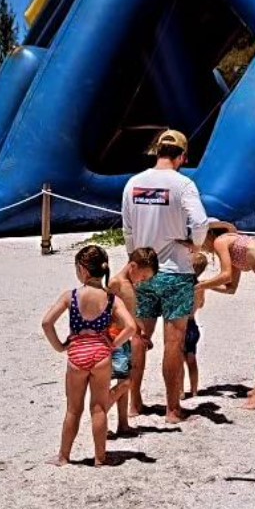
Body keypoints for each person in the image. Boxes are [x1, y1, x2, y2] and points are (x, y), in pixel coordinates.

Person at [121, 129, 208, 425]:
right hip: (175, 271)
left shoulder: (134, 183)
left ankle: (135, 403)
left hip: (143, 272)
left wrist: (135, 260)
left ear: (157, 151)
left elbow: (128, 230)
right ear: (182, 156)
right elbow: (200, 222)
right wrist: (195, 244)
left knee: (138, 338)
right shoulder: (183, 184)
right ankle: (172, 409)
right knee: (174, 343)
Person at [41, 245, 135, 465]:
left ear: (82, 270)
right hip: (101, 354)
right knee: (99, 408)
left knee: (73, 409)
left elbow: (47, 322)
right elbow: (130, 327)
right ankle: (100, 458)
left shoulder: (71, 296)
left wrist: (60, 346)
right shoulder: (111, 300)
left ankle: (63, 456)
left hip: (77, 354)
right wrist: (112, 344)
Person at [198, 224, 255, 410]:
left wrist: (200, 286)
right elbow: (230, 288)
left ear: (207, 234)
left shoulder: (220, 241)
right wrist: (203, 286)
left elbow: (224, 276)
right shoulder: (233, 243)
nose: (202, 247)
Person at [106, 247, 158, 436]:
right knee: (122, 382)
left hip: (125, 338)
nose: (142, 281)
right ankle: (101, 418)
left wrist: (142, 332)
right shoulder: (116, 283)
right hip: (115, 338)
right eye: (142, 276)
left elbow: (131, 313)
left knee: (124, 380)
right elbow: (108, 311)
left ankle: (122, 423)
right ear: (132, 266)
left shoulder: (129, 284)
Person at [184, 252, 207, 398]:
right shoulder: (200, 287)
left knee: (179, 360)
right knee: (192, 359)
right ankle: (194, 390)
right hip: (193, 324)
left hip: (183, 325)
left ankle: (179, 391)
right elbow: (201, 304)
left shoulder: (183, 285)